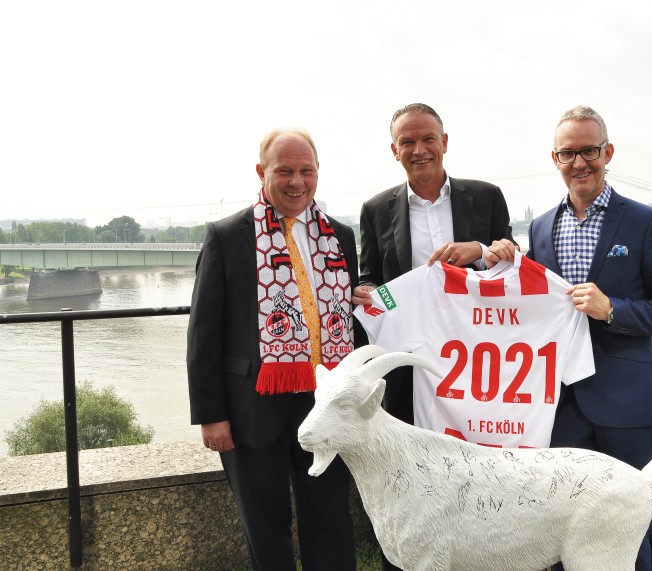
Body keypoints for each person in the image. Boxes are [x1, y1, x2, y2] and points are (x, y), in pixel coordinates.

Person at [486, 105, 652, 571]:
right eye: (568, 153)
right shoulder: (540, 226)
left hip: (626, 405)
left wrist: (612, 309)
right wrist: (495, 259)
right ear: (555, 159)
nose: (580, 163)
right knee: (557, 529)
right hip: (558, 405)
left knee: (628, 530)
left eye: (590, 151)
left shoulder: (646, 222)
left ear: (608, 152)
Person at [187, 129, 360, 571]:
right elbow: (204, 332)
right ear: (262, 172)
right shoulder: (227, 236)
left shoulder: (339, 236)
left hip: (324, 403)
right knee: (265, 527)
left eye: (306, 171)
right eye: (285, 170)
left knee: (330, 518)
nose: (296, 181)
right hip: (251, 408)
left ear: (317, 173)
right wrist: (212, 414)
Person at [355, 102, 515, 425]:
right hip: (409, 365)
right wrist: (368, 294)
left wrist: (481, 251)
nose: (419, 150)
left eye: (428, 139)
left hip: (478, 356)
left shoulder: (488, 197)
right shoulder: (375, 210)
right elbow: (371, 279)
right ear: (394, 150)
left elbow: (514, 267)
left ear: (444, 142)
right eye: (407, 142)